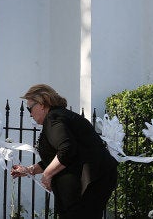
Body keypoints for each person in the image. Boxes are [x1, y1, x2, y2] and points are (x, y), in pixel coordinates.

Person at [10, 84, 118, 218]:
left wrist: (47, 175)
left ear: (42, 104)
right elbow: (58, 158)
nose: (30, 113)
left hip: (87, 182)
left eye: (29, 108)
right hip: (92, 179)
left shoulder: (53, 119)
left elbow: (67, 150)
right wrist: (29, 170)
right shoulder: (60, 117)